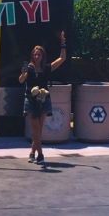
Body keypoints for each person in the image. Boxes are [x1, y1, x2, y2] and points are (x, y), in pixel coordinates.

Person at [18, 30, 67, 164]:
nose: (36, 56)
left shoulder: (46, 68)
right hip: (31, 99)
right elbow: (21, 80)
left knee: (39, 129)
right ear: (32, 56)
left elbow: (62, 58)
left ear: (42, 56)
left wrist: (63, 43)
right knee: (35, 128)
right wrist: (25, 72)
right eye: (34, 54)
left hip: (44, 98)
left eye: (38, 54)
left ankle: (32, 152)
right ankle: (40, 154)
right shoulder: (28, 67)